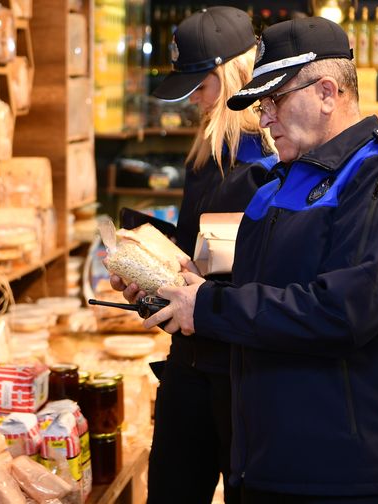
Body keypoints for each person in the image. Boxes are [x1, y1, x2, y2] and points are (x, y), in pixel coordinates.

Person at [143, 17, 378, 503]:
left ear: (326, 92)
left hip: (353, 480)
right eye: (261, 106)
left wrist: (210, 306)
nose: (264, 120)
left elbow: (341, 312)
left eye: (274, 101)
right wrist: (182, 287)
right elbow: (256, 298)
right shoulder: (274, 186)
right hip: (270, 469)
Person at [110, 7, 277, 504]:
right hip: (189, 361)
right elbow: (194, 253)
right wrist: (146, 274)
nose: (195, 101)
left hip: (242, 369)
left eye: (201, 87)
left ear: (233, 76)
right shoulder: (206, 154)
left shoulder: (273, 159)